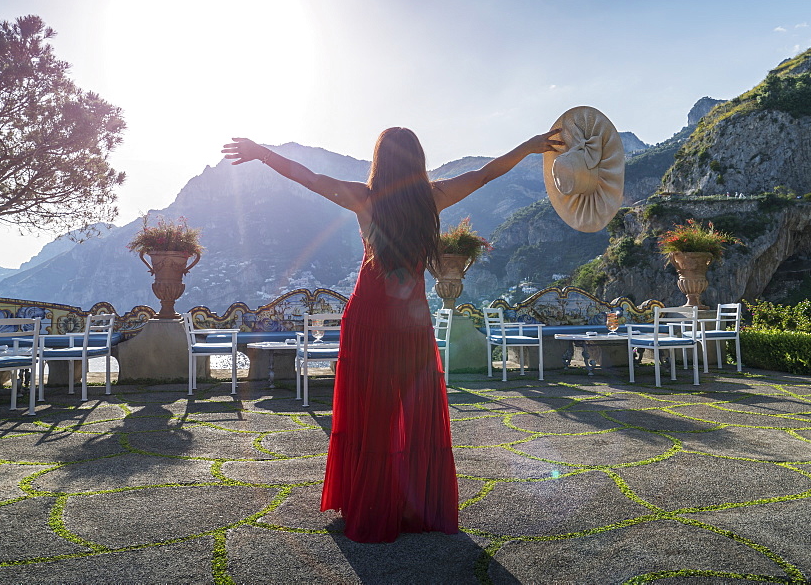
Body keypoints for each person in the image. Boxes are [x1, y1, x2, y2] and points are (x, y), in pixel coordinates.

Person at [222, 127, 563, 542]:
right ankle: (412, 504)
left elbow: (308, 177)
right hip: (412, 320)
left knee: (371, 416)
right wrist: (528, 146)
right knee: (415, 413)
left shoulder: (363, 199)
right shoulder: (433, 198)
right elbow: (487, 173)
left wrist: (263, 154)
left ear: (379, 161)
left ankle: (371, 504)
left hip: (367, 317)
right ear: (417, 161)